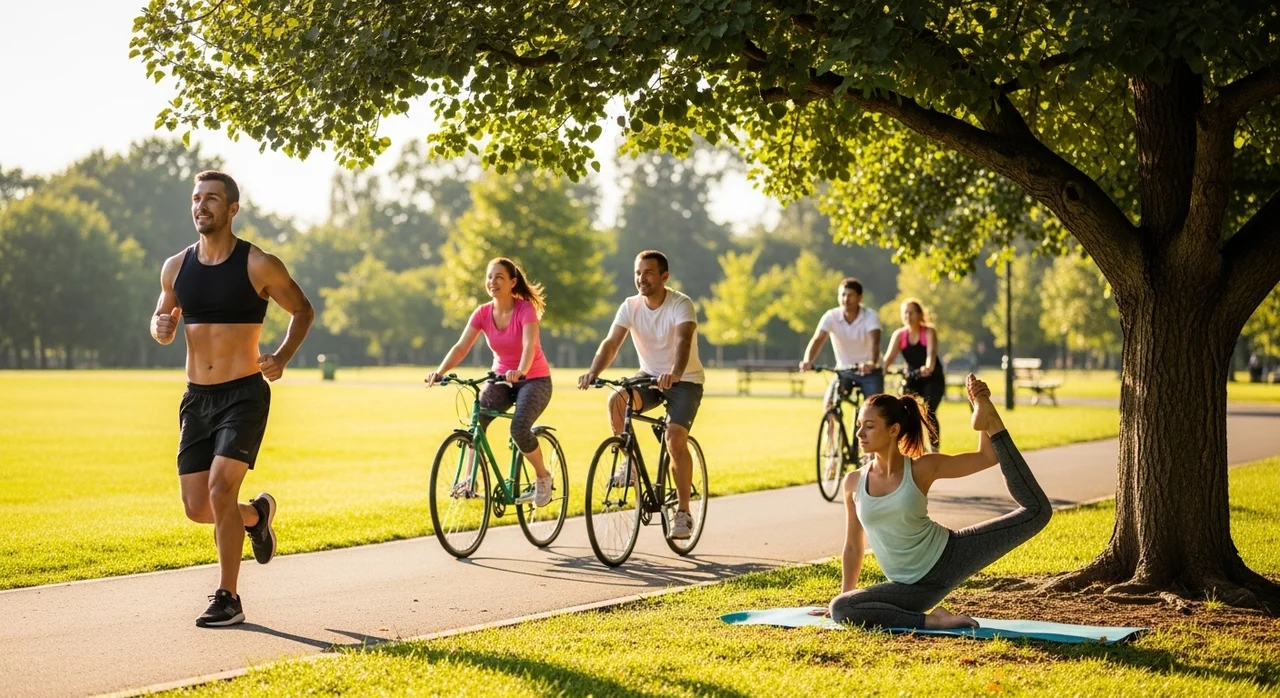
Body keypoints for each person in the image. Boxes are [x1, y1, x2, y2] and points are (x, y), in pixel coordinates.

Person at [151, 171, 314, 627]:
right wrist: (160, 326)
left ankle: (228, 597)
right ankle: (256, 517)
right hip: (196, 399)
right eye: (196, 198)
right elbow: (161, 318)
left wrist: (282, 355)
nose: (201, 206)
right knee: (198, 507)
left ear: (232, 209)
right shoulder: (176, 267)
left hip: (243, 395)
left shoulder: (258, 264)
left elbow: (302, 309)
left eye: (212, 199)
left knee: (221, 489)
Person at [825, 374, 1052, 629]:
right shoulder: (853, 483)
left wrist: (980, 405)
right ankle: (933, 619)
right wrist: (846, 595)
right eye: (859, 425)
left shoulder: (922, 468)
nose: (859, 433)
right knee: (841, 607)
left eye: (869, 426)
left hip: (951, 556)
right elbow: (853, 546)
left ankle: (991, 419)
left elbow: (987, 457)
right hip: (911, 590)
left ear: (893, 430)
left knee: (1037, 512)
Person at [577, 250, 705, 539]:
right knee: (617, 400)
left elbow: (683, 341)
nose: (641, 278)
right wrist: (593, 371)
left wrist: (674, 372)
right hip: (649, 376)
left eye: (648, 272)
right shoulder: (630, 306)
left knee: (675, 439)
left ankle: (683, 512)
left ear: (664, 276)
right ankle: (630, 463)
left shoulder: (681, 304)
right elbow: (611, 343)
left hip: (684, 380)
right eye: (638, 272)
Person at [425, 257, 555, 507]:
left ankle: (542, 476)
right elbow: (461, 347)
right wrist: (439, 372)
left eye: (499, 277)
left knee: (519, 428)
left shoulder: (525, 310)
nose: (492, 282)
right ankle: (469, 479)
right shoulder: (483, 313)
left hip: (534, 379)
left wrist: (521, 370)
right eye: (489, 277)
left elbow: (529, 344)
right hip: (500, 378)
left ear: (512, 282)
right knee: (477, 421)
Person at [799, 277, 884, 409]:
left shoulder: (870, 316)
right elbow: (818, 339)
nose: (846, 299)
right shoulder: (831, 316)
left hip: (869, 372)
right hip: (844, 371)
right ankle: (832, 422)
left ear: (860, 298)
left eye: (850, 295)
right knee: (829, 405)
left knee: (875, 409)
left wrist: (871, 363)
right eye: (843, 295)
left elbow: (875, 342)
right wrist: (808, 360)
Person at [882, 298, 946, 452]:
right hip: (912, 378)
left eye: (911, 313)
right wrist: (880, 371)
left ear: (919, 314)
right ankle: (909, 446)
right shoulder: (900, 335)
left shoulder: (928, 332)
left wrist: (928, 367)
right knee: (904, 411)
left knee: (929, 411)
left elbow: (931, 355)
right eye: (905, 313)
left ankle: (934, 449)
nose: (908, 316)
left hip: (932, 378)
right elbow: (888, 360)